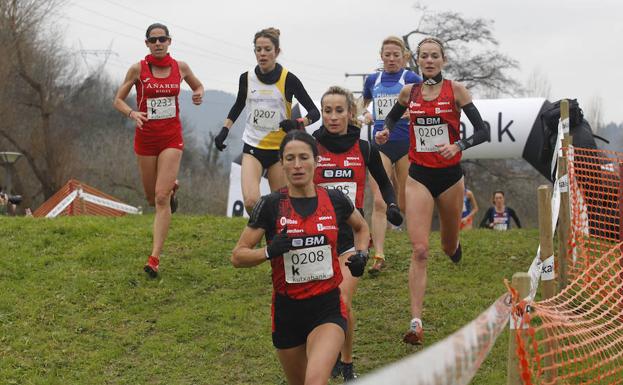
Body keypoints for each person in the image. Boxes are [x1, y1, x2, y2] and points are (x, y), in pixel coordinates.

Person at [231, 130, 370, 385]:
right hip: (288, 312)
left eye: (304, 157)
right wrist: (269, 251)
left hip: (327, 308)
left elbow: (361, 227)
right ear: (281, 163)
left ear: (316, 161)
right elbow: (238, 256)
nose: (297, 165)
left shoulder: (335, 200)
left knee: (315, 381)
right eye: (290, 158)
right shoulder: (271, 205)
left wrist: (362, 253)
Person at [375, 37, 490, 345]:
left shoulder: (457, 91)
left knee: (447, 245)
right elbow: (391, 116)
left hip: (451, 178)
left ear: (443, 59)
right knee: (420, 249)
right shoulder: (408, 92)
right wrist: (385, 129)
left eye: (434, 56)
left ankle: (453, 248)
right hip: (419, 177)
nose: (428, 61)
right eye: (424, 56)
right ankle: (415, 322)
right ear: (418, 61)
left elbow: (484, 131)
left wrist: (459, 145)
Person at [312, 86, 402, 381]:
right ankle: (324, 354)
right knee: (318, 304)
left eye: (339, 111)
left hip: (350, 239)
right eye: (327, 111)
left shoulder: (364, 149)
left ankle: (347, 362)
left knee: (342, 301)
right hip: (315, 238)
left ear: (350, 113)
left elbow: (385, 183)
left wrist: (391, 204)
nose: (333, 117)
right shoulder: (312, 145)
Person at [113, 23, 204, 277]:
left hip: (171, 138)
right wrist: (132, 112)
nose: (158, 43)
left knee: (161, 198)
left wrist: (198, 94)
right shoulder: (137, 69)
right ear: (147, 44)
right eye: (153, 40)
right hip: (145, 139)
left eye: (162, 39)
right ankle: (170, 189)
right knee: (152, 198)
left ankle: (154, 259)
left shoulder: (181, 67)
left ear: (169, 41)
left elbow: (198, 86)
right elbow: (117, 99)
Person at [214, 27, 320, 215]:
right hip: (253, 147)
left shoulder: (289, 79)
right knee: (251, 201)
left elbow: (314, 112)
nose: (262, 54)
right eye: (258, 49)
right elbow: (238, 105)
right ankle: (265, 232)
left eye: (267, 49)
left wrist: (298, 123)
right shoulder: (246, 78)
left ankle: (274, 241)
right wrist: (224, 130)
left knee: (282, 206)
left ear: (276, 52)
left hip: (279, 151)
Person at [362, 36, 422, 275]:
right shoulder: (372, 80)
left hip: (407, 144)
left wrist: (410, 113)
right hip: (381, 144)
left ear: (404, 56)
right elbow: (363, 103)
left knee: (404, 202)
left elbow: (426, 102)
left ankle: (417, 249)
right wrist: (364, 114)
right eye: (387, 54)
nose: (391, 59)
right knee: (379, 201)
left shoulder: (410, 78)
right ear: (381, 55)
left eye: (396, 54)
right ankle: (378, 255)